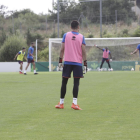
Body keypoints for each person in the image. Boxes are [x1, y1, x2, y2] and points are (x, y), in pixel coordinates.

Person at [55, 20, 87, 110]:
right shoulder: (81, 37)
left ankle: (61, 103)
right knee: (76, 83)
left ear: (70, 27)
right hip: (77, 63)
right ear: (78, 27)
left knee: (64, 82)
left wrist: (60, 62)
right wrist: (85, 63)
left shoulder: (66, 35)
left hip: (67, 62)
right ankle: (74, 103)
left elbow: (62, 49)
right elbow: (83, 51)